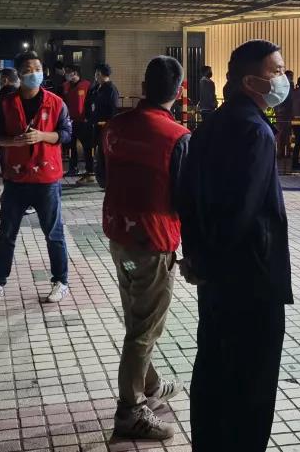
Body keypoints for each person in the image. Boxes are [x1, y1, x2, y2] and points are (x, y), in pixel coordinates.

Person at [178, 39, 292, 452]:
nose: (284, 78)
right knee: (252, 383)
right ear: (250, 81)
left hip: (214, 278)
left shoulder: (210, 125)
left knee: (213, 369)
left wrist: (198, 258)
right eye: (276, 71)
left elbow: (186, 195)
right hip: (251, 279)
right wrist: (216, 261)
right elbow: (242, 211)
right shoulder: (255, 131)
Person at [98, 56, 190, 440]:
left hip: (120, 238)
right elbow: (186, 200)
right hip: (154, 242)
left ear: (143, 86)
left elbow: (102, 177)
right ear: (179, 92)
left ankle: (149, 385)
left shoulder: (115, 127)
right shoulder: (177, 137)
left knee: (136, 318)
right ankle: (130, 410)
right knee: (144, 328)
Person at [0, 50, 73, 305]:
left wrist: (43, 136)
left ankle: (61, 281)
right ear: (19, 74)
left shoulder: (56, 102)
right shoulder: (3, 103)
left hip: (47, 179)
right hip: (16, 179)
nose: (34, 73)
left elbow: (66, 134)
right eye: (28, 70)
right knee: (6, 234)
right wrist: (12, 141)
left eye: (38, 69)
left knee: (54, 233)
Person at [85, 63, 120, 184]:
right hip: (94, 125)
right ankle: (97, 175)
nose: (95, 75)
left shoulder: (111, 89)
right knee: (96, 151)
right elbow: (89, 103)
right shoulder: (96, 88)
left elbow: (112, 110)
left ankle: (106, 179)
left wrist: (107, 124)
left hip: (105, 126)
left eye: (96, 73)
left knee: (104, 152)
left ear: (100, 74)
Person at [62, 64, 91, 178]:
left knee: (87, 146)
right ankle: (72, 168)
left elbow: (90, 102)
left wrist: (88, 117)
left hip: (83, 121)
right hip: (70, 121)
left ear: (75, 73)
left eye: (68, 72)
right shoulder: (65, 85)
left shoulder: (86, 85)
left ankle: (89, 169)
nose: (66, 74)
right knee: (71, 147)